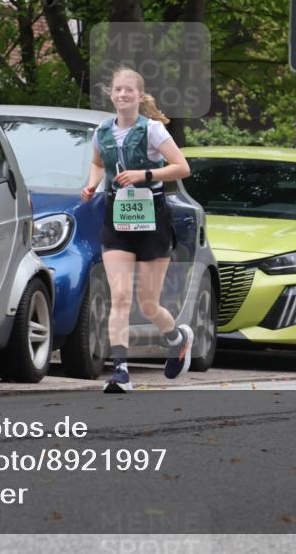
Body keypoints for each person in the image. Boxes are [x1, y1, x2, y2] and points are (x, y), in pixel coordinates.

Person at [80, 67, 193, 393]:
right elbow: (99, 164)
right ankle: (120, 372)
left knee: (147, 303)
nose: (123, 95)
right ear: (112, 95)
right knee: (121, 298)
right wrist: (90, 186)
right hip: (117, 218)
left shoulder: (153, 130)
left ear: (139, 96)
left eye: (129, 90)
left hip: (152, 219)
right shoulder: (101, 131)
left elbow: (182, 167)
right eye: (118, 90)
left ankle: (177, 338)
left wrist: (144, 175)